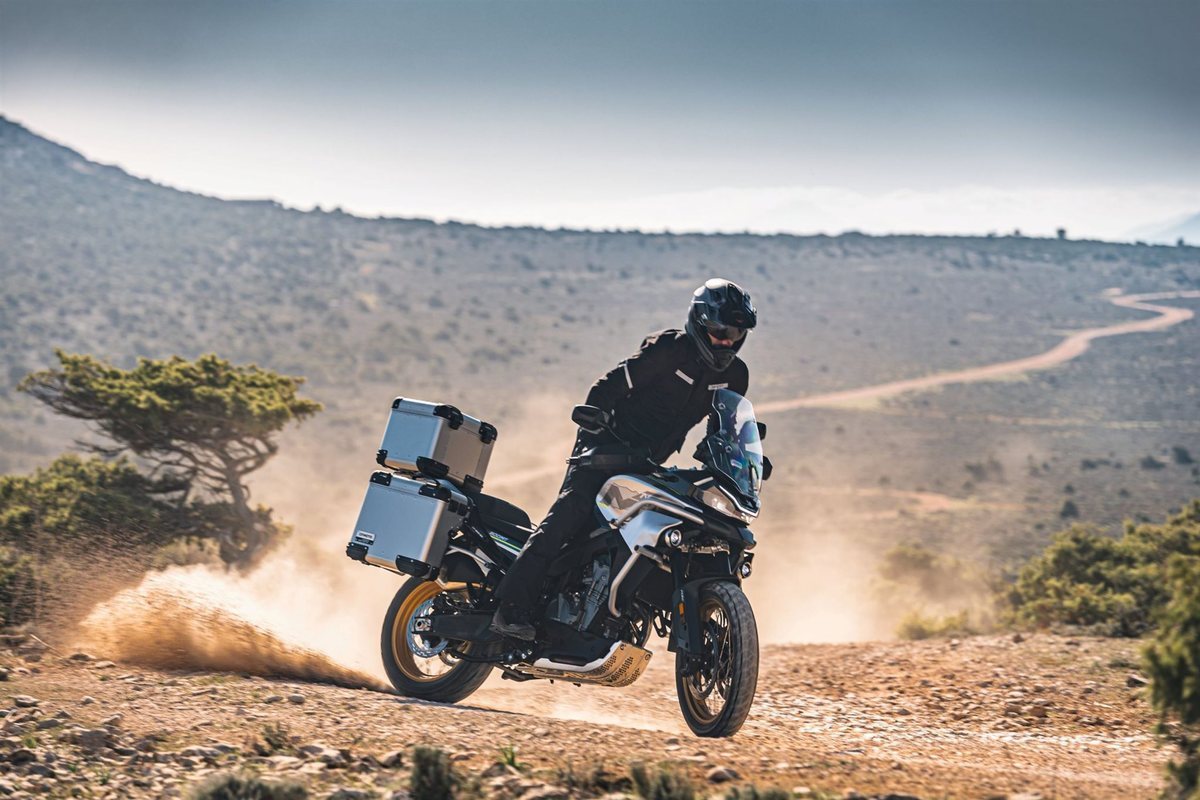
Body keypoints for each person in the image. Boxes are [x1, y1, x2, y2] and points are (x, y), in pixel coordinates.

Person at [490, 278, 757, 640]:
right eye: (721, 331)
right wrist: (596, 418)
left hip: (649, 461)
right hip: (606, 445)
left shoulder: (736, 375)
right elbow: (607, 386)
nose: (727, 341)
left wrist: (738, 460)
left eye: (737, 334)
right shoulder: (669, 350)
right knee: (570, 515)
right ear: (699, 322)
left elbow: (723, 428)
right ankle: (509, 607)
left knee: (683, 526)